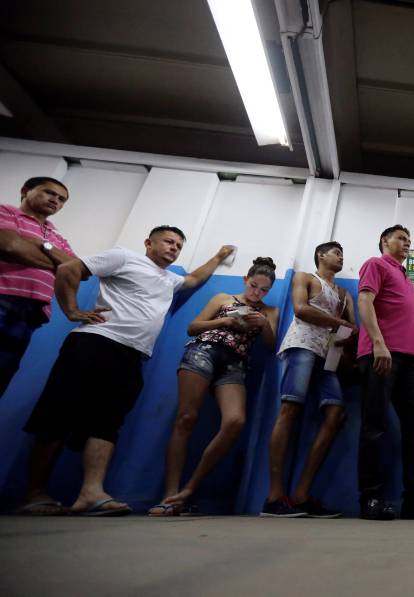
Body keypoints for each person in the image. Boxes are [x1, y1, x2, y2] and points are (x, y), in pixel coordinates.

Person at [20, 226, 233, 516]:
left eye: (179, 245)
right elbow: (70, 268)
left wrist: (219, 256)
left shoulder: (170, 279)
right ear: (148, 243)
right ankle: (35, 494)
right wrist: (71, 310)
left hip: (133, 356)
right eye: (168, 242)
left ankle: (91, 493)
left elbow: (194, 278)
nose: (174, 248)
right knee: (57, 414)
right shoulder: (123, 257)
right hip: (94, 343)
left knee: (107, 421)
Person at [149, 257, 280, 516]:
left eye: (264, 290)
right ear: (245, 280)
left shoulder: (269, 311)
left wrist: (263, 323)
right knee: (186, 418)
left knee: (235, 421)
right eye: (254, 286)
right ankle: (169, 495)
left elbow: (269, 345)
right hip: (204, 351)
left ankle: (188, 489)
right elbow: (193, 327)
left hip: (236, 363)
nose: (257, 293)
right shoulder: (223, 298)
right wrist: (225, 321)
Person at [356, 224, 414, 520]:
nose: (407, 242)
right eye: (401, 238)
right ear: (385, 241)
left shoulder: (408, 280)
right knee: (374, 425)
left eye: (409, 239)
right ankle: (371, 499)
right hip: (381, 355)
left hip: (409, 361)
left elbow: (404, 322)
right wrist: (378, 343)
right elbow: (364, 301)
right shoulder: (376, 264)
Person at [262, 242, 356, 518]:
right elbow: (301, 309)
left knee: (336, 414)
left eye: (342, 253)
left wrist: (346, 326)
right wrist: (339, 323)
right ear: (320, 256)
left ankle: (301, 495)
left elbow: (352, 328)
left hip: (330, 356)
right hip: (302, 345)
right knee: (290, 409)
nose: (340, 256)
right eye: (336, 252)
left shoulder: (343, 293)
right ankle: (274, 497)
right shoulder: (304, 278)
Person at [0, 177, 76, 398]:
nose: (56, 200)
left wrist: (42, 245)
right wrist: (56, 262)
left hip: (31, 313)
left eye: (62, 199)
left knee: (3, 372)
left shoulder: (56, 237)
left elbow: (76, 269)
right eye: (49, 193)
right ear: (25, 191)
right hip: (3, 298)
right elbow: (9, 245)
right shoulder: (6, 212)